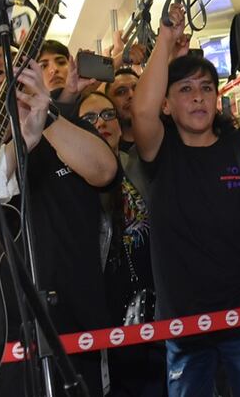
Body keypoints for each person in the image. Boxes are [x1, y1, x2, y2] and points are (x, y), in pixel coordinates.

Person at [132, 4, 240, 397]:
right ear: (167, 105)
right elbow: (140, 110)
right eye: (185, 90)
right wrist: (166, 39)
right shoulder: (161, 152)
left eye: (206, 88)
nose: (198, 98)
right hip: (184, 325)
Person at [0, 43, 118, 396]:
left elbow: (105, 171)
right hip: (1, 338)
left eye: (16, 69)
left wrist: (45, 114)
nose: (8, 81)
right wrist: (20, 140)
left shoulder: (66, 123)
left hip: (79, 323)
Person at [77, 91, 164, 396]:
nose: (100, 123)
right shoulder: (73, 180)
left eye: (107, 114)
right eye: (88, 118)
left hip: (154, 300)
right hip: (107, 307)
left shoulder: (139, 163)